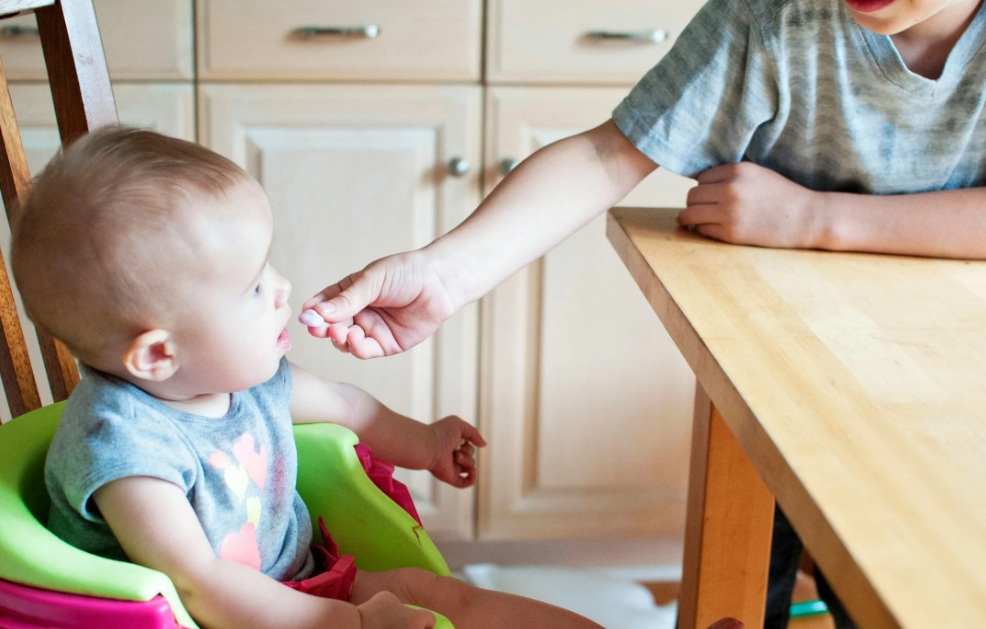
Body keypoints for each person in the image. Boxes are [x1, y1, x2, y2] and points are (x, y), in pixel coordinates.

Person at [297, 0, 986, 626]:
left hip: (948, 390)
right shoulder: (771, 16)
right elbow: (607, 153)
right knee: (754, 577)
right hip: (780, 373)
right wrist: (445, 273)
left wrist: (816, 217)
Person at [12, 126, 628, 629]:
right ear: (156, 356)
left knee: (440, 595)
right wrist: (347, 623)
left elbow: (346, 405)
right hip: (218, 618)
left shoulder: (237, 377)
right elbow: (198, 585)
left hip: (300, 583)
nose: (281, 287)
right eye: (253, 287)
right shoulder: (126, 450)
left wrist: (426, 443)